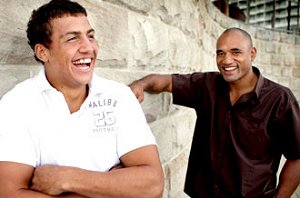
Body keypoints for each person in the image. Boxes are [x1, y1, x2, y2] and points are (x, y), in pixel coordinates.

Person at [0, 0, 164, 197]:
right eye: (72, 39)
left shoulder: (119, 96)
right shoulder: (17, 105)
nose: (89, 48)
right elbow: (9, 193)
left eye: (91, 36)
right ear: (43, 52)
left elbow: (153, 185)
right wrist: (112, 188)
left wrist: (66, 178)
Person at [130, 27, 300, 198]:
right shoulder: (206, 85)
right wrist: (140, 84)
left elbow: (297, 157)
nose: (226, 60)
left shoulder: (279, 99)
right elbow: (166, 82)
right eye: (220, 53)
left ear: (252, 53)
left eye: (235, 52)